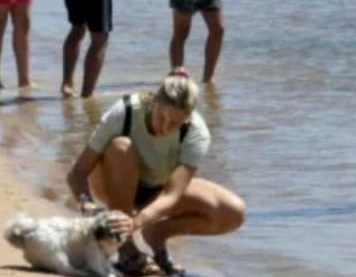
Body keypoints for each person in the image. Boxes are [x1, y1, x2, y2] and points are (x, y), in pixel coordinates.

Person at [65, 69, 245, 277]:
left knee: (232, 213)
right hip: (111, 182)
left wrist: (139, 221)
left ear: (188, 118)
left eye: (175, 123)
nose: (164, 127)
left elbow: (172, 194)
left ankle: (157, 233)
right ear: (154, 101)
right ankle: (127, 249)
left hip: (158, 190)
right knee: (121, 146)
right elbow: (78, 172)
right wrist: (87, 204)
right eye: (161, 116)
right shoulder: (124, 112)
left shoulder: (197, 133)